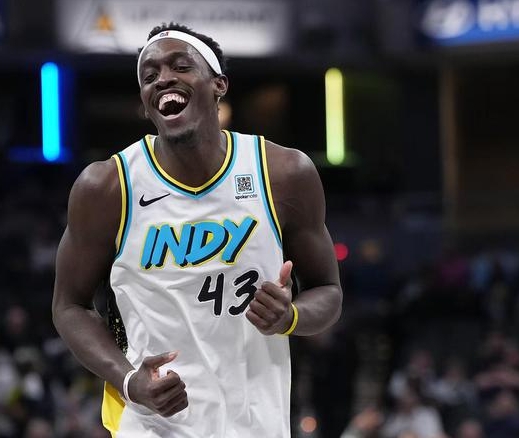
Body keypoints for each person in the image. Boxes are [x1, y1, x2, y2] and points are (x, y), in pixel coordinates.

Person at [52, 22, 343, 438]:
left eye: (180, 66)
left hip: (255, 422)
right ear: (145, 103)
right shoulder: (107, 187)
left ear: (219, 84)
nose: (163, 79)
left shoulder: (283, 174)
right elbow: (69, 306)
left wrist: (290, 316)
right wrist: (129, 381)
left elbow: (328, 291)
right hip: (151, 424)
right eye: (149, 75)